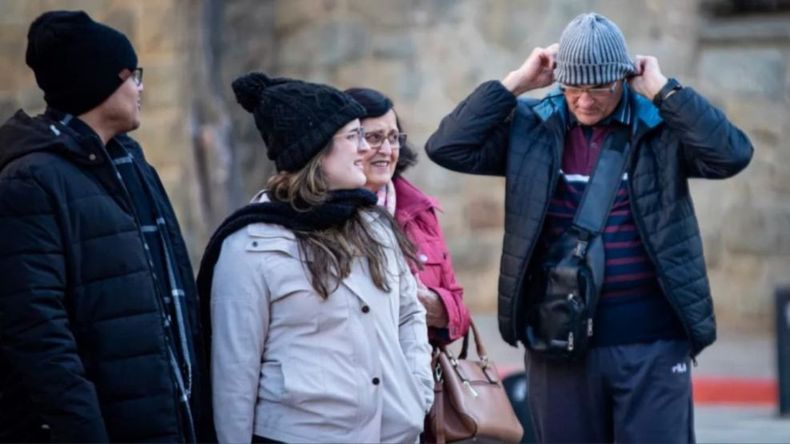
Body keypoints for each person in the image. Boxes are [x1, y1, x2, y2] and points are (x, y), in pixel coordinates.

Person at [426, 12, 753, 443]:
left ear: (623, 78)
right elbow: (447, 146)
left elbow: (732, 154)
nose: (584, 101)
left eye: (598, 88)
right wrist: (516, 83)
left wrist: (665, 91)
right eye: (573, 87)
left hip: (652, 342)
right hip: (556, 342)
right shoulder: (531, 127)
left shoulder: (660, 127)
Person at [0, 10, 210, 443]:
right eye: (133, 75)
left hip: (166, 423)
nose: (141, 87)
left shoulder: (131, 163)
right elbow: (38, 334)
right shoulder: (31, 180)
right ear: (100, 82)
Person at [197, 73, 434, 443]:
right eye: (354, 136)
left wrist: (416, 392)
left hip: (393, 434)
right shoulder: (250, 245)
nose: (365, 149)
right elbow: (233, 379)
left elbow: (409, 313)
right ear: (316, 149)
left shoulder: (375, 225)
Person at [344, 87, 471, 346]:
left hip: (416, 375)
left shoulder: (419, 211)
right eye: (374, 137)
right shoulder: (321, 213)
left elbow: (460, 310)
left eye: (393, 138)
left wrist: (438, 307)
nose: (387, 150)